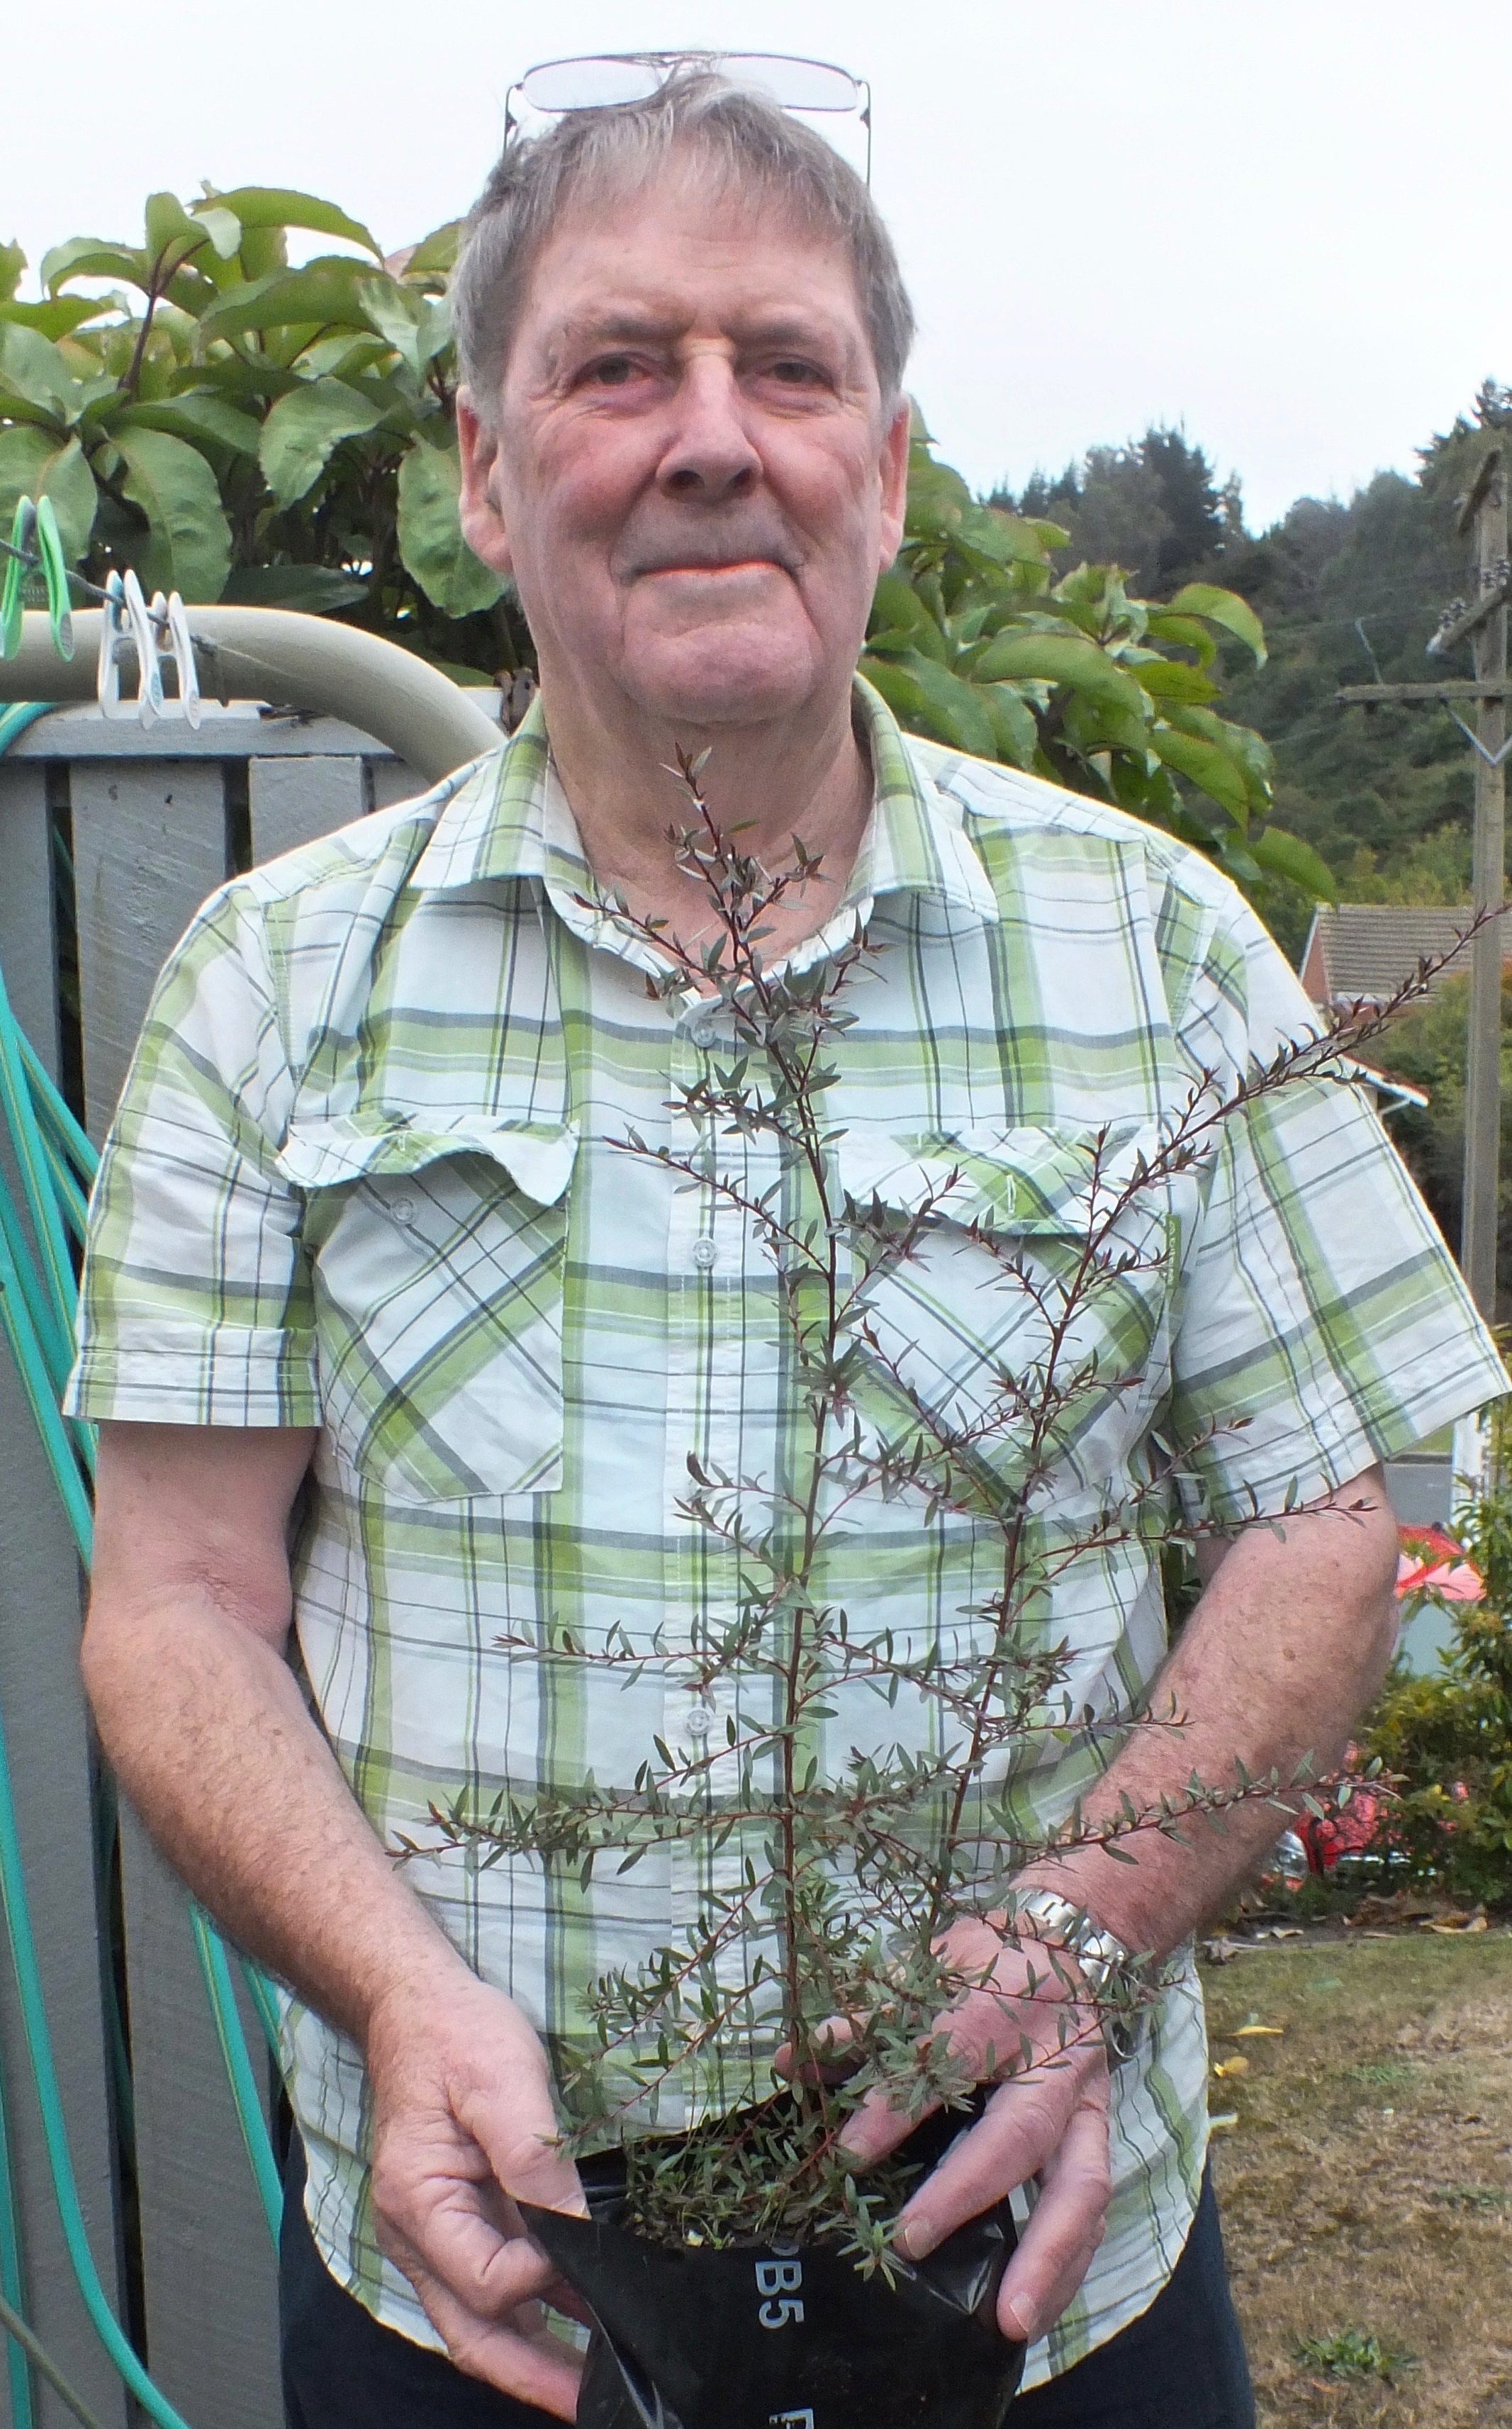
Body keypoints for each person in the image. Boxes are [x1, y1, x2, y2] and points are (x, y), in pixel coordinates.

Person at [68, 69, 1506, 2429]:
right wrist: (400, 1998)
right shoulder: (274, 980)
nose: (713, 439)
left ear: (892, 470)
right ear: (483, 467)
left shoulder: (1150, 947)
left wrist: (1078, 1939)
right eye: (619, 366)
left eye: (791, 367)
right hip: (491, 2287)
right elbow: (178, 1602)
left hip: (1032, 2278)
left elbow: (1334, 1511)